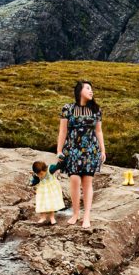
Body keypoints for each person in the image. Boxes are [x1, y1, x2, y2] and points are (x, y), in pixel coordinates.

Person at [56, 79, 106, 229]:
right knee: (74, 180)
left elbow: (98, 131)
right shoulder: (67, 109)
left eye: (92, 89)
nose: (91, 91)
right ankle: (76, 213)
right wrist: (59, 150)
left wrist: (103, 150)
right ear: (80, 91)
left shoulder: (96, 110)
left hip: (90, 150)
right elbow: (63, 131)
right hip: (72, 150)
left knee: (87, 183)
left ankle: (86, 216)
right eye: (88, 88)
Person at [30, 159, 64, 224]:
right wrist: (32, 183)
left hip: (51, 189)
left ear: (44, 169)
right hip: (42, 189)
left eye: (41, 174)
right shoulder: (37, 174)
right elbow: (35, 180)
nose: (40, 175)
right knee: (41, 203)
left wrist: (60, 163)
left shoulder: (50, 169)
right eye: (38, 174)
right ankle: (43, 217)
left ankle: (52, 217)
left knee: (51, 203)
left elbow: (56, 166)